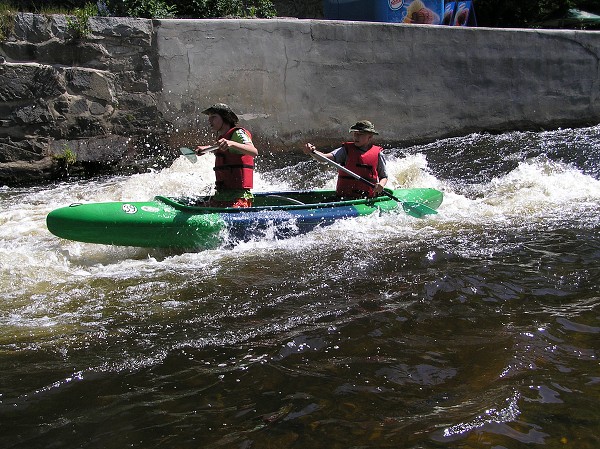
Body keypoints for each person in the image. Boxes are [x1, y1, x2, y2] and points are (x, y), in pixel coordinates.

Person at [303, 120, 388, 199]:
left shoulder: (378, 154)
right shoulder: (345, 150)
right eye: (355, 134)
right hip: (343, 197)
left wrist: (381, 184)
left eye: (360, 134)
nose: (356, 137)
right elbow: (324, 159)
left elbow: (383, 176)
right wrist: (312, 152)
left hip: (366, 200)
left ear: (370, 137)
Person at [195, 103, 259, 208]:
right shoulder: (222, 138)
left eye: (214, 117)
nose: (209, 120)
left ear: (225, 118)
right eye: (209, 117)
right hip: (222, 195)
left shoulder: (238, 133)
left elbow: (253, 151)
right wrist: (206, 149)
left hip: (238, 197)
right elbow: (222, 150)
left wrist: (232, 143)